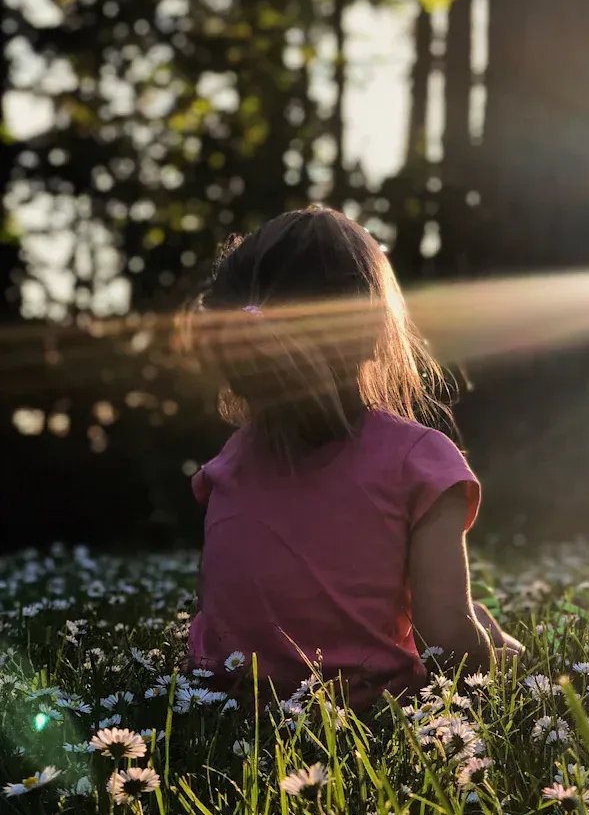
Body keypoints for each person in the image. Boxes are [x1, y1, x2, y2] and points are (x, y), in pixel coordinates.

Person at [185, 206, 522, 710]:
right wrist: (502, 661)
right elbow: (448, 643)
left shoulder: (228, 464)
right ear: (370, 331)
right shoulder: (419, 461)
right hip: (367, 713)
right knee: (482, 627)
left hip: (227, 706)